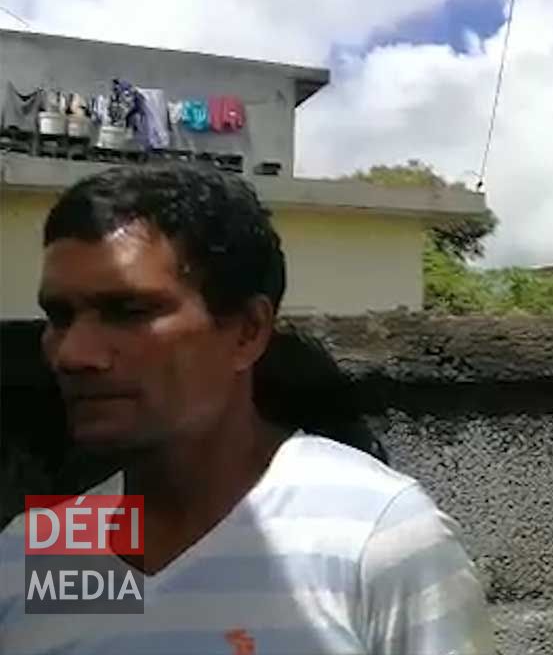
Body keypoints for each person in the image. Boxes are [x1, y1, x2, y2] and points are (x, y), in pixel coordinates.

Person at [0, 165, 493, 654]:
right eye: (60, 316)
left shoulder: (375, 534)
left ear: (247, 332)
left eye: (129, 312)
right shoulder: (49, 550)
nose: (73, 354)